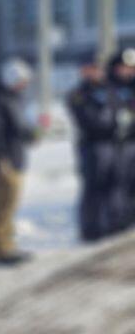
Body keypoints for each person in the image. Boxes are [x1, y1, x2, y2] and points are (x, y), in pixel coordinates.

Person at [0, 58, 39, 266]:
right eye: (21, 80)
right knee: (3, 205)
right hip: (6, 163)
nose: (24, 84)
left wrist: (32, 134)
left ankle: (9, 244)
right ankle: (1, 248)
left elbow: (19, 127)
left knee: (11, 204)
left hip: (16, 158)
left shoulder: (15, 100)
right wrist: (1, 158)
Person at [66, 52, 117, 242]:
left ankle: (108, 224)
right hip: (91, 145)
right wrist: (110, 122)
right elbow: (88, 120)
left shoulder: (109, 90)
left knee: (110, 187)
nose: (92, 72)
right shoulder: (78, 94)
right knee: (92, 188)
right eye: (88, 69)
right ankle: (90, 229)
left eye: (95, 68)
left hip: (112, 144)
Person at [102, 48, 135, 233]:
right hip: (116, 143)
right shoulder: (109, 87)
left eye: (131, 68)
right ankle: (117, 220)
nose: (128, 71)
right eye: (124, 67)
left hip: (132, 140)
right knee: (117, 183)